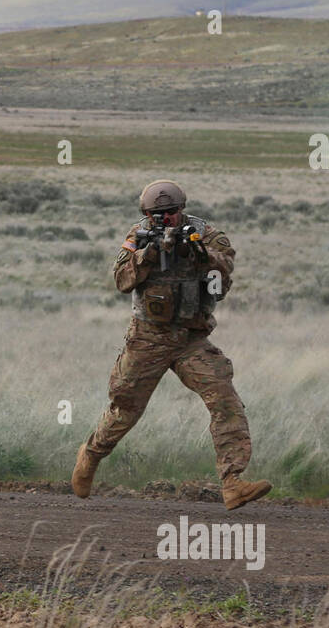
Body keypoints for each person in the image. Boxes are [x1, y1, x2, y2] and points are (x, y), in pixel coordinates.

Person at [72, 180, 271, 511]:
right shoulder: (138, 236)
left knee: (224, 400)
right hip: (148, 338)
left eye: (172, 212)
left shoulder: (207, 235)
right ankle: (91, 454)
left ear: (183, 209)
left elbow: (223, 280)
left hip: (190, 339)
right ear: (147, 214)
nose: (166, 219)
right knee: (126, 408)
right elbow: (121, 280)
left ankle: (233, 482)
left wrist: (198, 255)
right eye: (157, 215)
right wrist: (148, 255)